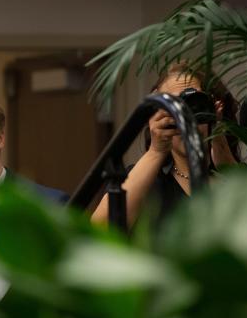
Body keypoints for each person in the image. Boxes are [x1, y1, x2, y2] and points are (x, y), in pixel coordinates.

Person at [91, 64, 239, 227]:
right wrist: (156, 151)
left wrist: (219, 136)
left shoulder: (243, 177)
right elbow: (99, 230)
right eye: (173, 106)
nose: (184, 116)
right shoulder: (146, 185)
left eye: (193, 104)